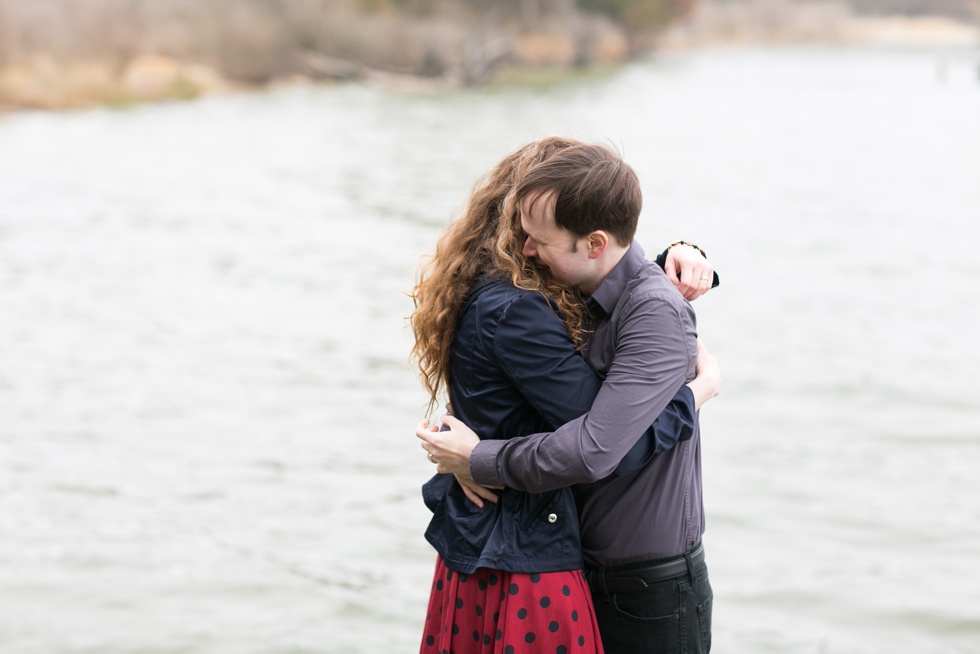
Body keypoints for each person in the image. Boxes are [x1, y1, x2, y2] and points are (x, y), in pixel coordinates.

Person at [410, 137, 720, 654]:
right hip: (585, 569)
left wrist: (479, 458)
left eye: (539, 237)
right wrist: (679, 255)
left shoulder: (649, 310)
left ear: (593, 242)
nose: (527, 248)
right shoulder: (571, 290)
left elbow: (595, 450)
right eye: (524, 232)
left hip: (645, 586)